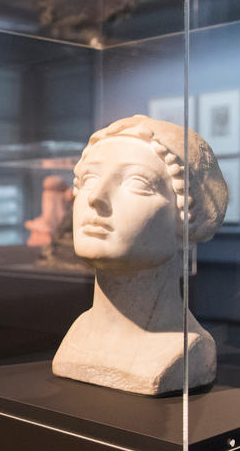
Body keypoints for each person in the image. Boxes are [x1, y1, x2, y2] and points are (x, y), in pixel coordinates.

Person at [51, 114, 228, 395]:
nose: (96, 196)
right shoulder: (77, 335)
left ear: (186, 217)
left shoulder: (184, 350)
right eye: (88, 178)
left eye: (138, 182)